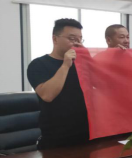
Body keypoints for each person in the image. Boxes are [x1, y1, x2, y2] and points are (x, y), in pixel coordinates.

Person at [27, 18, 89, 149]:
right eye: (72, 39)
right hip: (56, 138)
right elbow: (47, 95)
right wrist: (65, 65)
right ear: (55, 39)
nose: (76, 43)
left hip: (86, 134)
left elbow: (103, 86)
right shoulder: (38, 64)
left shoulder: (82, 64)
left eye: (80, 39)